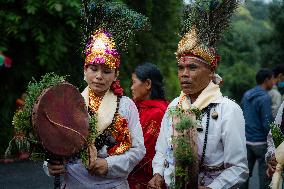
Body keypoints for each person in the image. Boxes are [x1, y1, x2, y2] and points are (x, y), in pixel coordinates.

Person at [44, 1, 149, 188]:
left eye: (107, 71)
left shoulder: (126, 105)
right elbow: (53, 143)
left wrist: (108, 164)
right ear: (85, 71)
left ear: (116, 74)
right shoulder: (68, 102)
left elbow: (138, 150)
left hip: (112, 184)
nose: (99, 76)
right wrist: (50, 165)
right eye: (94, 69)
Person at [148, 1, 248, 188]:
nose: (184, 74)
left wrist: (213, 187)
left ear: (211, 71)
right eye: (180, 67)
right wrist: (158, 174)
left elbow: (239, 168)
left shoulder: (228, 110)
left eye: (192, 67)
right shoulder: (174, 106)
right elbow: (161, 151)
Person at [128, 63, 168, 189]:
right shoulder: (134, 107)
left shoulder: (157, 113)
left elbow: (143, 151)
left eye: (134, 82)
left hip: (145, 180)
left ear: (148, 84)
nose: (131, 87)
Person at [240, 68, 274, 189]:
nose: (274, 82)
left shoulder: (246, 94)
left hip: (246, 140)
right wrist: (275, 140)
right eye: (272, 79)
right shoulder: (265, 98)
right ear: (267, 80)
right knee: (264, 175)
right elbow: (267, 122)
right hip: (260, 143)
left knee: (244, 175)